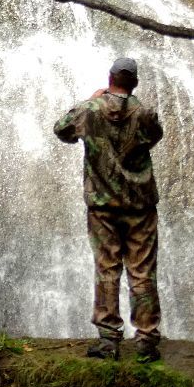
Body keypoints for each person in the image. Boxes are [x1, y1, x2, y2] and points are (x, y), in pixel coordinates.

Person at [53, 57, 164, 362]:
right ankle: (146, 341)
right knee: (142, 271)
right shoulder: (144, 113)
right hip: (140, 205)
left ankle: (108, 340)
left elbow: (61, 130)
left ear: (110, 77)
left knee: (107, 268)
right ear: (135, 82)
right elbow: (155, 136)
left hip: (103, 206)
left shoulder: (89, 111)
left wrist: (91, 102)